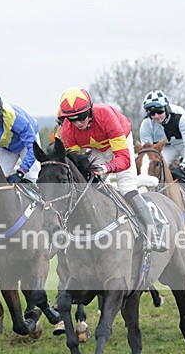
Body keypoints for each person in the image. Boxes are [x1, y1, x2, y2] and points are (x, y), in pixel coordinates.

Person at [58, 86, 167, 251]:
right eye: (72, 119)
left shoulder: (106, 116)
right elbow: (75, 164)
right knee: (91, 187)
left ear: (90, 110)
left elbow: (123, 160)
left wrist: (106, 168)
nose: (78, 123)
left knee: (127, 187)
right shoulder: (67, 130)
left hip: (119, 141)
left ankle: (154, 234)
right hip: (96, 149)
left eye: (81, 117)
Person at [138, 89, 185, 183]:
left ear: (166, 108)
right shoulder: (146, 124)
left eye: (159, 111)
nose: (156, 116)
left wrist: (183, 166)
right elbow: (148, 153)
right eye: (152, 113)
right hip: (167, 148)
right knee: (156, 168)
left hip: (184, 145)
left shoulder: (181, 118)